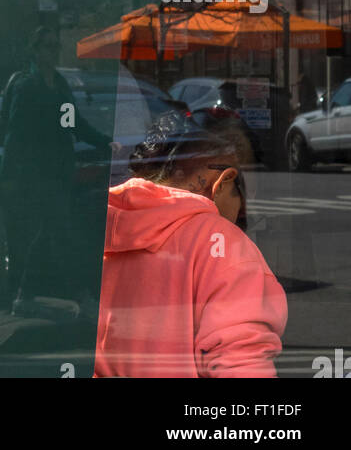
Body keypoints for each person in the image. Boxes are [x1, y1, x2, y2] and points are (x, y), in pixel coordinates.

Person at [95, 112, 287, 378]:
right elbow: (241, 364)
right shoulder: (223, 244)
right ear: (225, 182)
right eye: (244, 201)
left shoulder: (101, 227)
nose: (242, 214)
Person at [0, 25, 112, 318]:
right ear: (35, 50)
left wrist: (104, 142)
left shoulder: (59, 84)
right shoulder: (27, 86)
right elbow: (14, 134)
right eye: (47, 46)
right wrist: (8, 174)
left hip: (59, 171)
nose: (52, 51)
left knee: (48, 232)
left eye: (55, 46)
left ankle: (24, 296)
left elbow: (74, 123)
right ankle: (82, 297)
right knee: (62, 233)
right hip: (37, 174)